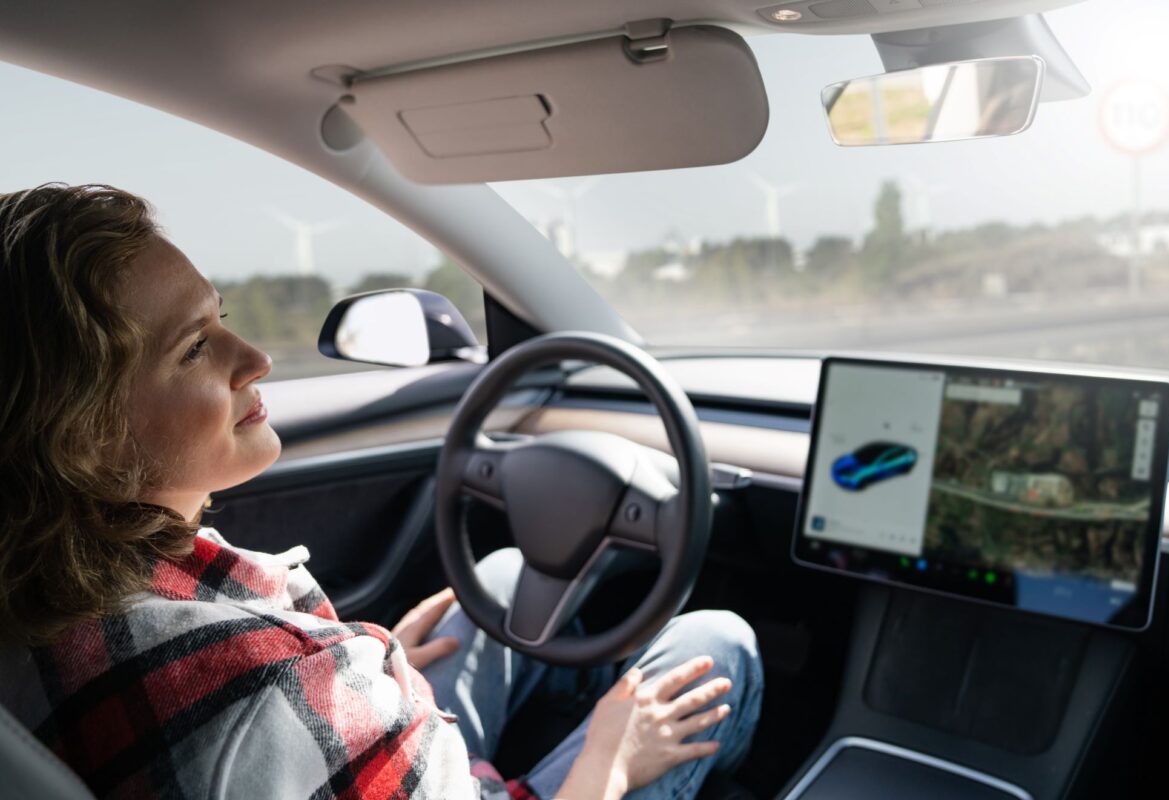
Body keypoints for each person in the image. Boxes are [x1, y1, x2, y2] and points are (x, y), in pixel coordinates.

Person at [0, 184, 763, 799]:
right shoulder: (268, 683)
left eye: (221, 320)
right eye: (196, 346)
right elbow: (263, 699)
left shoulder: (42, 592)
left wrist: (368, 668)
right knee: (717, 644)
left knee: (492, 588)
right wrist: (611, 761)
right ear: (82, 434)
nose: (258, 357)